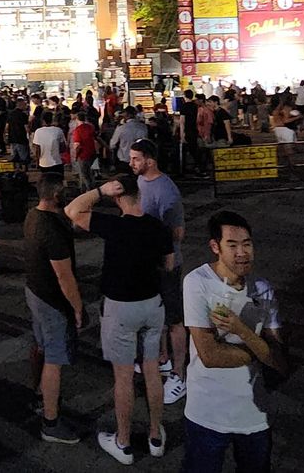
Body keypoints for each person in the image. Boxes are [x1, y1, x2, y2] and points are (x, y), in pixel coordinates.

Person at [66, 176, 173, 464]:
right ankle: (154, 436)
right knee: (152, 370)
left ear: (117, 198)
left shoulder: (113, 225)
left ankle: (124, 441)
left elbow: (72, 211)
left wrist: (99, 191)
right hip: (152, 304)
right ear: (139, 195)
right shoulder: (157, 227)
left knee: (123, 376)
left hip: (120, 308)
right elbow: (169, 264)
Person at [182, 211, 285, 473]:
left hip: (254, 415)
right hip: (207, 413)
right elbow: (210, 356)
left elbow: (280, 360)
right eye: (232, 245)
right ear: (215, 247)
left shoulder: (263, 288)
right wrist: (260, 351)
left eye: (247, 244)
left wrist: (242, 331)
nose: (242, 252)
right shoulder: (198, 283)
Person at [23, 172, 84, 445]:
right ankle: (51, 421)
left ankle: (39, 395)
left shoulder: (33, 216)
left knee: (41, 346)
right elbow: (65, 277)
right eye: (66, 189)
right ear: (57, 195)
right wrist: (78, 307)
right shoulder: (52, 230)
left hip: (34, 291)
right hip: (51, 299)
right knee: (55, 359)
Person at [131, 138, 188, 406]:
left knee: (175, 319)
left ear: (149, 161)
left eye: (135, 159)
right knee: (157, 315)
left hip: (167, 264)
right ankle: (162, 359)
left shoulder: (167, 191)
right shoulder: (140, 182)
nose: (131, 163)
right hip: (147, 261)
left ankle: (180, 374)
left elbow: (178, 233)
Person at [109, 105, 149, 175]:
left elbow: (112, 145)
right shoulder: (143, 127)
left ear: (126, 115)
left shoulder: (121, 128)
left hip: (124, 161)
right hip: (139, 161)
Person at [70, 110, 100, 189]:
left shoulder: (77, 130)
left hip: (83, 154)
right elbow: (96, 138)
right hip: (92, 152)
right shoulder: (90, 127)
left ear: (77, 119)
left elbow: (77, 145)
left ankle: (88, 190)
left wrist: (76, 156)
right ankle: (91, 188)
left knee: (85, 174)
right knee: (90, 173)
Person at [8, 97, 32, 172]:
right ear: (21, 105)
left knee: (15, 155)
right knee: (23, 156)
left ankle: (17, 169)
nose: (26, 106)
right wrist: (29, 135)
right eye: (24, 105)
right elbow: (26, 127)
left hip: (12, 137)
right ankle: (25, 170)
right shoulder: (23, 115)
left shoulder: (10, 114)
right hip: (21, 137)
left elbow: (7, 126)